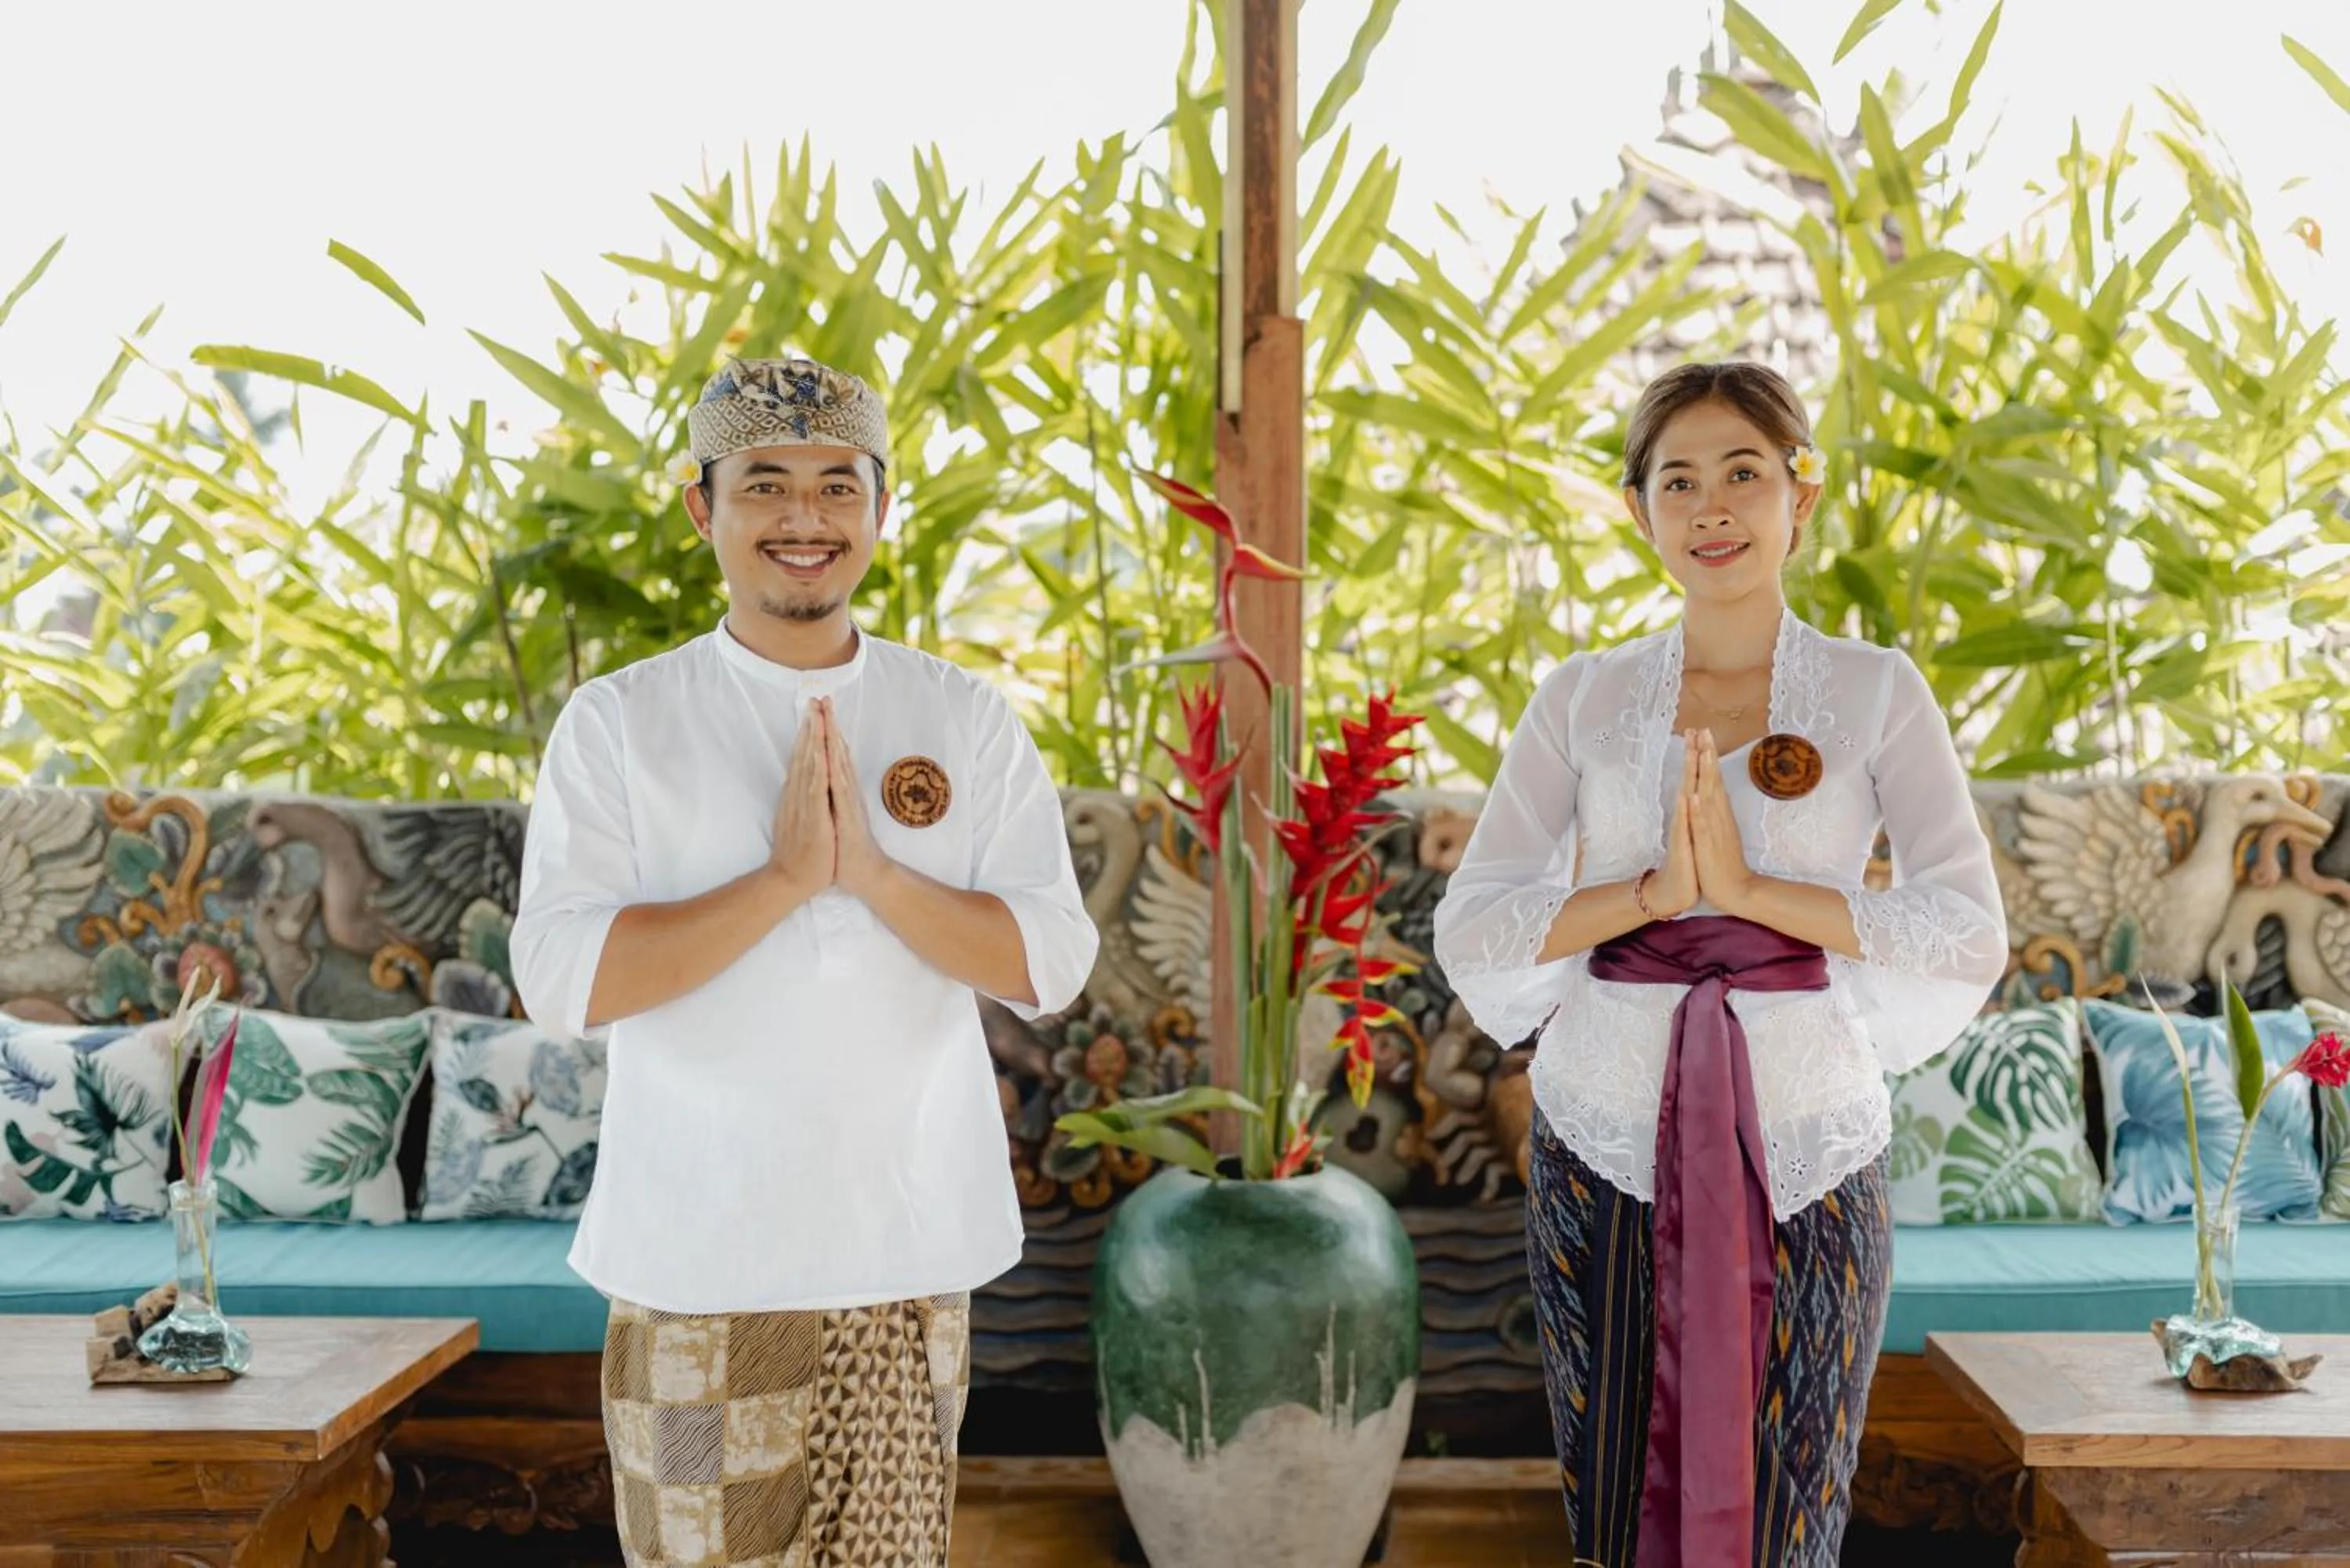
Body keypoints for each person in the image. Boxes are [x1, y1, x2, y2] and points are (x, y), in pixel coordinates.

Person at [510, 352, 1100, 1568]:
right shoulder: (623, 722)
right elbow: (567, 979)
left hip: (903, 1251)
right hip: (700, 1256)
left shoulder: (963, 716)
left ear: (883, 508)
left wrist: (872, 874)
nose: (803, 519)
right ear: (703, 508)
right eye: (766, 484)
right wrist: (782, 879)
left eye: (838, 486)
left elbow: (1049, 961)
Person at [1432, 362, 2007, 1566]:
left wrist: (1751, 896)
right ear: (1636, 512)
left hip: (1812, 1144)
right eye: (1677, 479)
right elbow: (1476, 923)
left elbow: (1966, 926)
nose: (1713, 508)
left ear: (1802, 494)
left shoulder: (1875, 691)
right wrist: (1649, 896)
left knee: (1797, 1504)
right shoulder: (1581, 698)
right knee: (1610, 1503)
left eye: (1744, 472)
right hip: (1599, 1141)